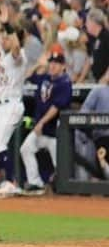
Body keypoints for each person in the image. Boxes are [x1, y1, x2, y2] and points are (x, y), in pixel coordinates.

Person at [20, 52, 73, 195]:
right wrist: (39, 64)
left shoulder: (65, 83)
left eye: (56, 63)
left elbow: (56, 107)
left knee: (60, 167)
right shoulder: (44, 78)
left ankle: (68, 195)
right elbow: (27, 75)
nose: (52, 66)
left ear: (63, 66)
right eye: (51, 63)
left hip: (56, 133)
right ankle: (35, 183)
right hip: (41, 131)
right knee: (26, 149)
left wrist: (41, 122)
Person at [0, 20, 28, 199]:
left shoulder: (19, 56)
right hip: (0, 106)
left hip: (12, 104)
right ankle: (8, 181)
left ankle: (12, 182)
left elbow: (16, 48)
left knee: (0, 145)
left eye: (7, 37)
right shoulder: (3, 55)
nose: (3, 40)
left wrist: (7, 23)